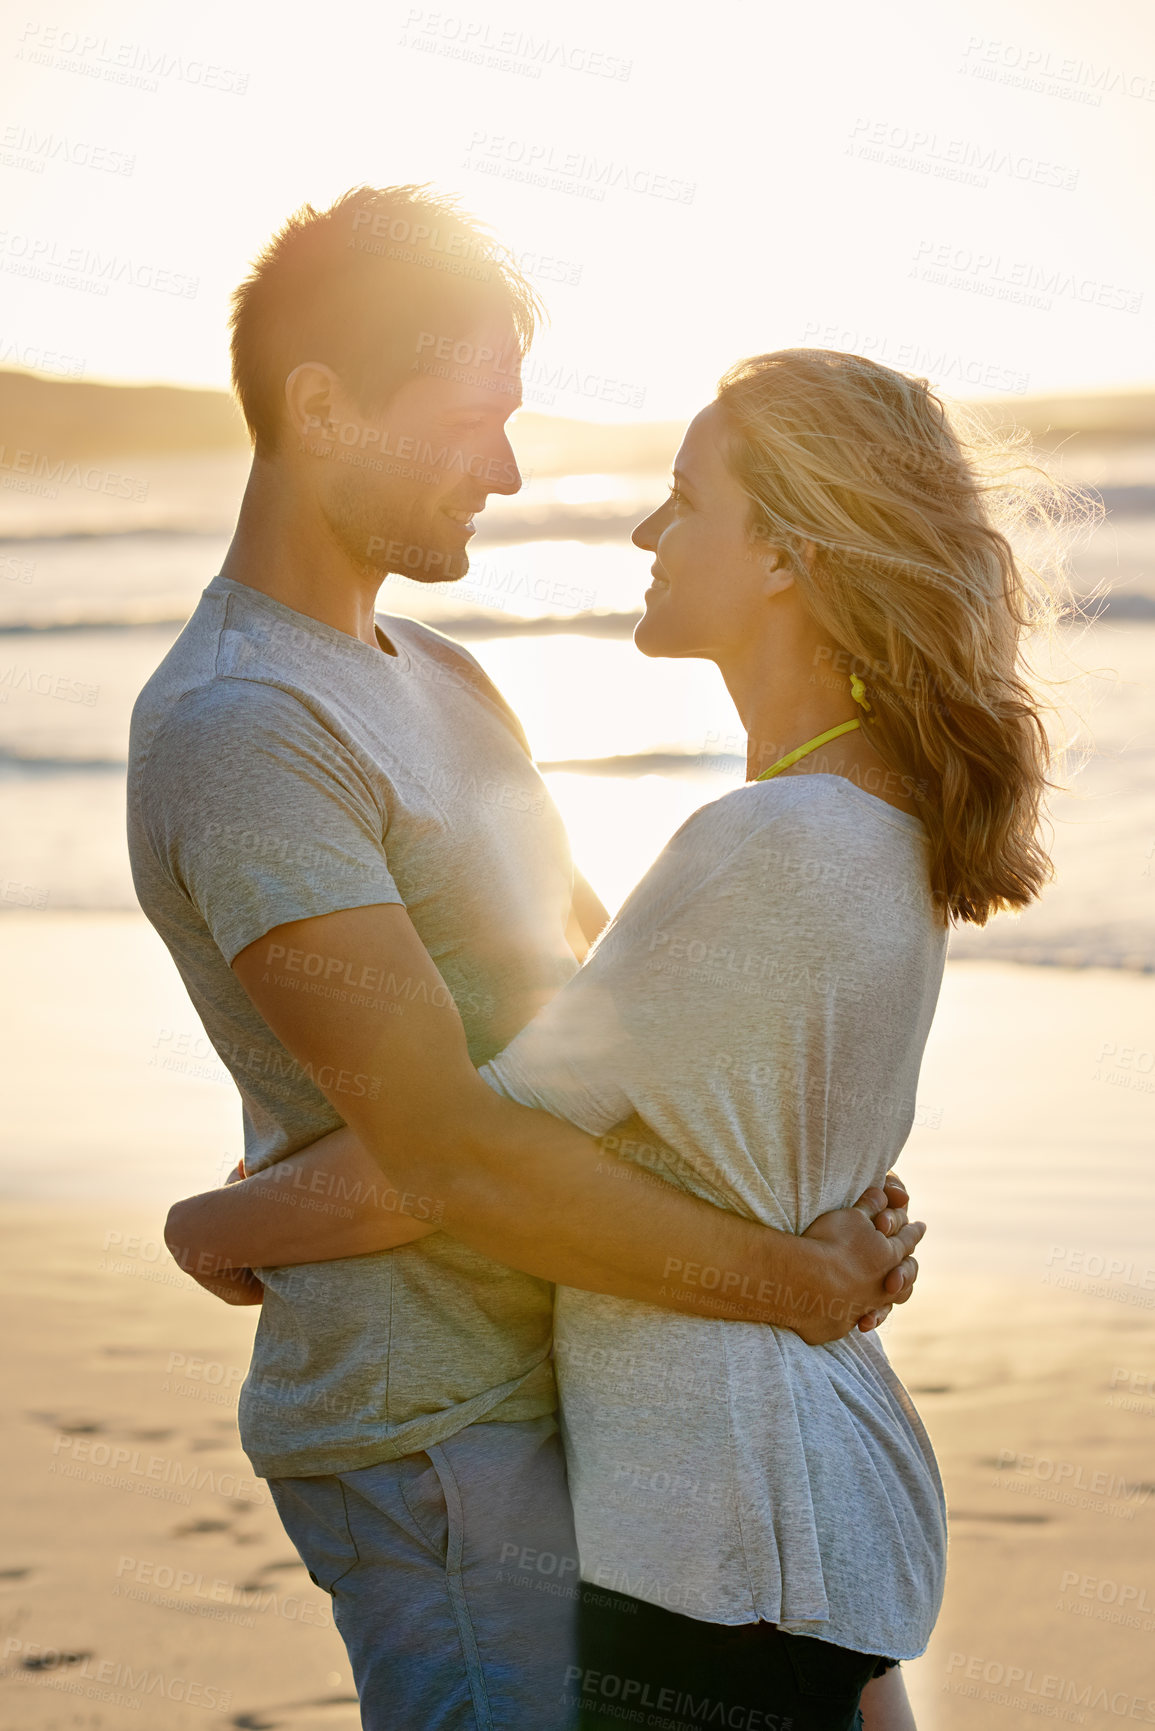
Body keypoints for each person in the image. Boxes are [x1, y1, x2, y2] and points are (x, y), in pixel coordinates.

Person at [168, 347, 1062, 1728]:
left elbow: (457, 1157)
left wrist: (220, 1227)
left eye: (683, 499)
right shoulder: (867, 821)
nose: (647, 531)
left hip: (722, 1540)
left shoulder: (768, 844)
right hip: (797, 1508)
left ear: (786, 549)